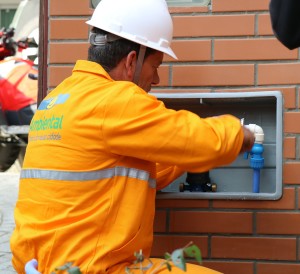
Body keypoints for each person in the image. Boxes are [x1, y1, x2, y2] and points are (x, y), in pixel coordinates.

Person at [10, 0, 255, 273]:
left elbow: (124, 169)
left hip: (39, 264)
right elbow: (200, 140)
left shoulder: (59, 98)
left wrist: (183, 158)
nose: (157, 79)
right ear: (131, 61)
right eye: (156, 65)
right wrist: (239, 134)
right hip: (92, 267)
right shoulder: (115, 100)